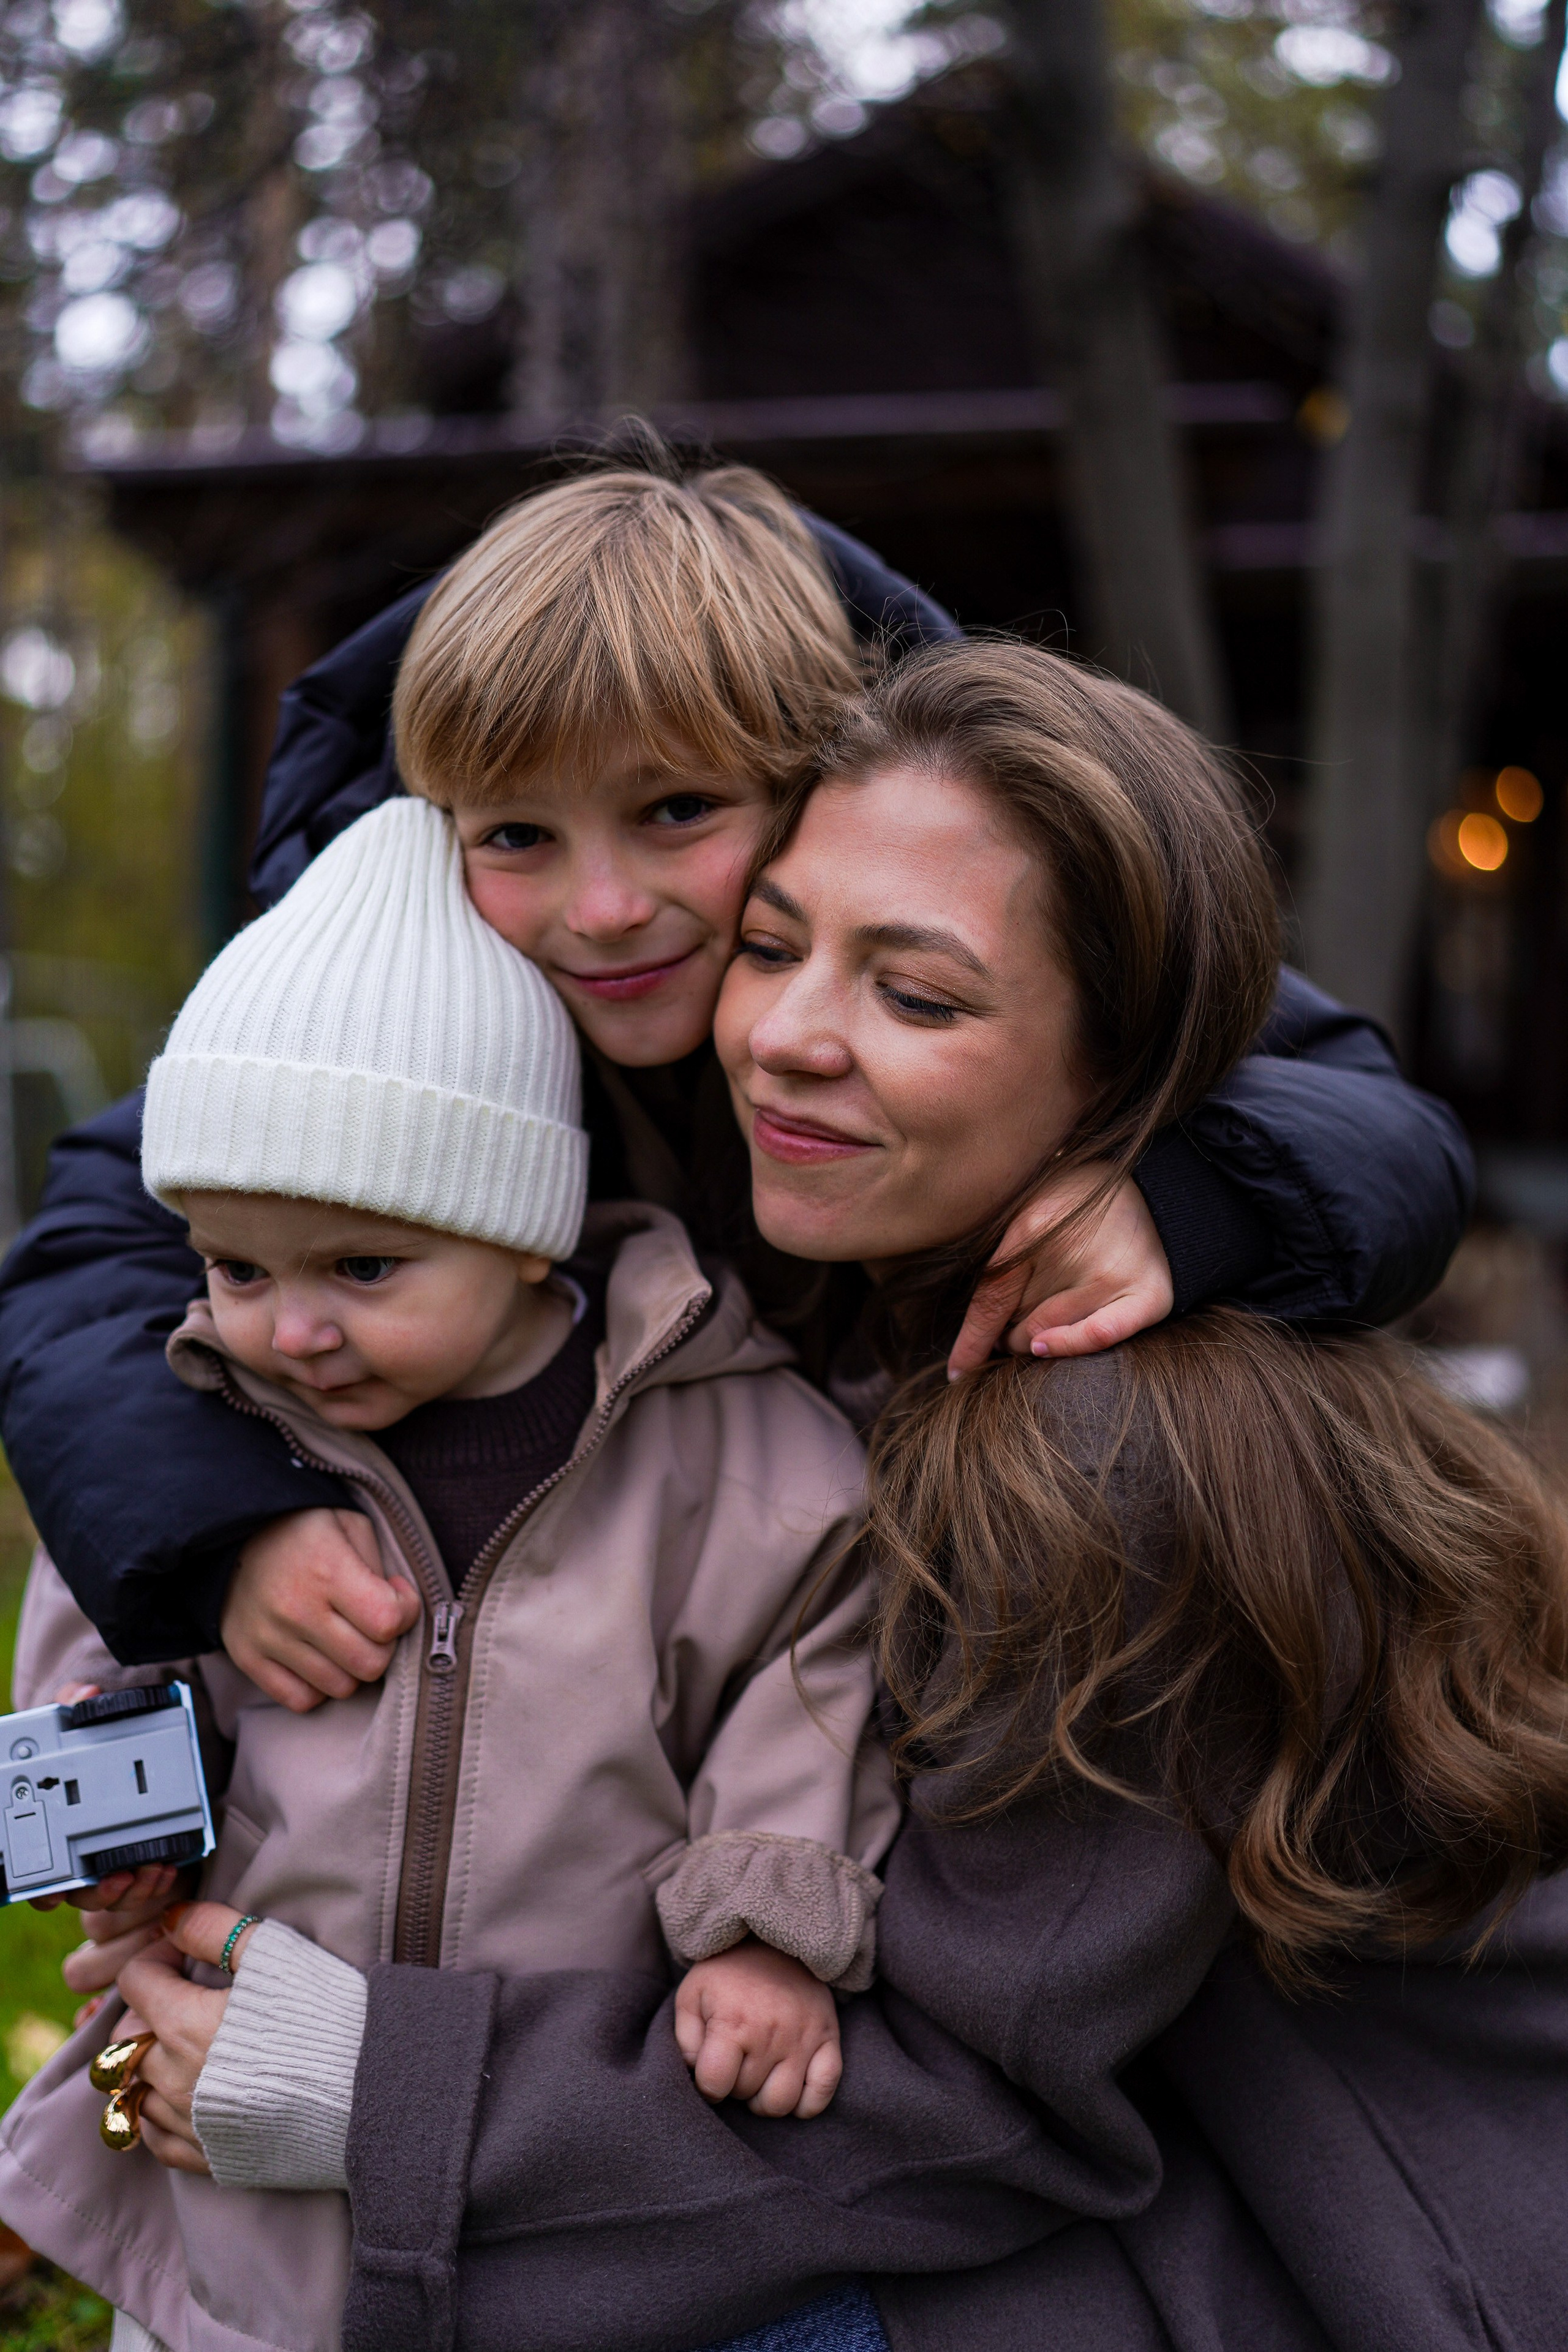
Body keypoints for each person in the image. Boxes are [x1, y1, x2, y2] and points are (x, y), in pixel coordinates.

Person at [50, 639, 1568, 2352]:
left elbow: (980, 2106)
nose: (782, 1040)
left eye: (915, 996)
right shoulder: (836, 1309)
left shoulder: (1114, 1441)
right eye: (772, 947)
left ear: (1119, 1084)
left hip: (1350, 2260)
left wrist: (365, 2088)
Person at [0, 454, 1472, 1691]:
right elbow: (94, 1246)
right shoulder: (402, 997)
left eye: (678, 811)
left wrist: (1188, 1193)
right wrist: (220, 1522)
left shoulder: (956, 865)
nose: (604, 909)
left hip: (894, 1619)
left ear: (814, 777)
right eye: (516, 837)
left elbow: (1369, 1119)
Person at [0, 794, 895, 2352]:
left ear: (526, 1235)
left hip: (542, 2109)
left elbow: (808, 1677)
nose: (291, 1331)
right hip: (240, 2139)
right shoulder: (214, 1436)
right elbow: (97, 1639)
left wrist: (764, 1916)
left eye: (363, 1268)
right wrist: (117, 1829)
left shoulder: (719, 1459)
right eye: (236, 1266)